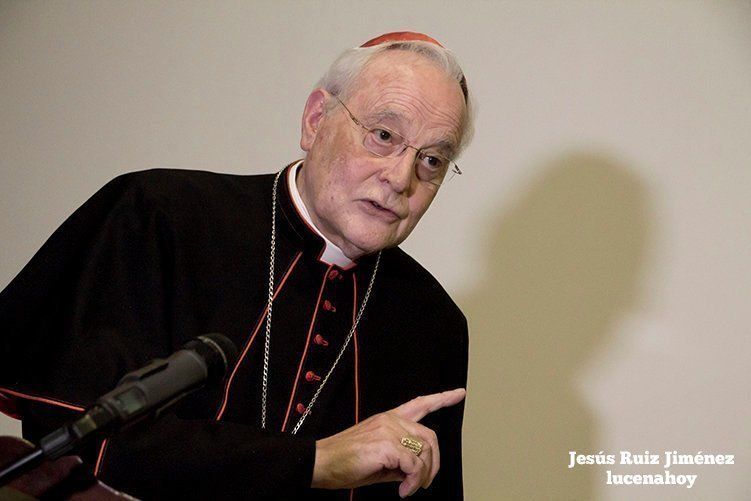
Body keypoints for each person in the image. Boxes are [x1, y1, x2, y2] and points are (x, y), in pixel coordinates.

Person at [0, 31, 473, 499]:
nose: (400, 178)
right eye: (383, 135)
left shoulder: (432, 324)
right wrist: (313, 462)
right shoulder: (158, 216)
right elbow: (78, 438)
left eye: (432, 160)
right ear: (315, 121)